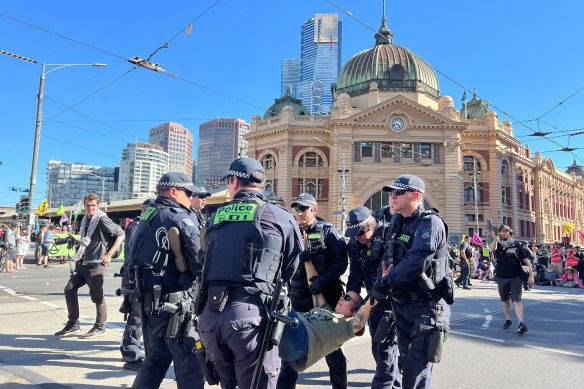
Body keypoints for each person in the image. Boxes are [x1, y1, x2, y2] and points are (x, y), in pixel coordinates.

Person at [198, 157, 303, 389]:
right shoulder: (280, 216)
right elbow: (292, 265)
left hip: (210, 318)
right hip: (251, 317)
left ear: (234, 181)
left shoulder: (215, 217)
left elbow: (203, 259)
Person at [373, 174, 451, 389]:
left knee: (416, 373)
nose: (392, 197)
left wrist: (387, 281)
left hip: (426, 306)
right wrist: (380, 283)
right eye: (391, 192)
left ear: (415, 195)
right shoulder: (398, 221)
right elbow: (387, 257)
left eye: (398, 192)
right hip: (403, 303)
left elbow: (418, 260)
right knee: (404, 361)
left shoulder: (430, 223)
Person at [130, 174, 205, 389]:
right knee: (190, 362)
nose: (191, 198)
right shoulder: (180, 217)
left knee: (157, 358)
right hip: (176, 302)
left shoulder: (148, 215)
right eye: (188, 193)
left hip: (149, 300)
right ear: (173, 192)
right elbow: (200, 258)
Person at [278, 192, 348, 389]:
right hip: (297, 298)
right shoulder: (291, 231)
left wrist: (324, 280)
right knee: (290, 350)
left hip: (324, 298)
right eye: (297, 209)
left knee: (332, 349)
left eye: (303, 209)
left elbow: (341, 261)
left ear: (314, 210)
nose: (299, 213)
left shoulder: (327, 230)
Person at [345, 206, 401, 389]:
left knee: (386, 350)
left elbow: (384, 273)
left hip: (392, 299)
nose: (358, 237)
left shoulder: (388, 235)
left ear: (372, 225)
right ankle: (395, 381)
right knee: (377, 348)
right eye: (354, 234)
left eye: (361, 232)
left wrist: (365, 305)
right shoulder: (354, 243)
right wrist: (350, 299)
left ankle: (392, 383)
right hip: (372, 298)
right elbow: (354, 274)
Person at [54, 193, 124, 338]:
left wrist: (109, 254)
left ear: (98, 206)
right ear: (84, 207)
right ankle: (73, 324)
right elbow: (88, 241)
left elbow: (120, 234)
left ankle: (100, 326)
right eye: (88, 205)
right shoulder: (86, 219)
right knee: (69, 289)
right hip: (83, 263)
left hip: (96, 264)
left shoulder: (102, 219)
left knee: (97, 296)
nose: (90, 208)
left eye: (93, 205)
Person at [279, 291, 373, 372]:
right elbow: (313, 284)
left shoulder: (347, 326)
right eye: (343, 295)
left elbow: (365, 310)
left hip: (303, 342)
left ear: (355, 310)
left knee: (277, 297)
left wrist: (382, 284)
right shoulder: (326, 310)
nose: (341, 298)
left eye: (347, 298)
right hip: (295, 340)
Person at [119, 198, 152, 371]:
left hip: (136, 276)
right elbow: (132, 255)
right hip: (136, 277)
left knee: (141, 317)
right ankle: (131, 355)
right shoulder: (139, 225)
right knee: (137, 317)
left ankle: (134, 352)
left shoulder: (140, 225)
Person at [489, 225, 534, 334]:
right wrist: (495, 238)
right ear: (500, 233)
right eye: (502, 232)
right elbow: (492, 248)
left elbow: (526, 260)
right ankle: (508, 320)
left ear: (510, 233)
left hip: (515, 277)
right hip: (501, 277)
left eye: (506, 231)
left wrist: (531, 274)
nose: (504, 233)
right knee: (505, 300)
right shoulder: (498, 244)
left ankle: (521, 323)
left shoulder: (517, 245)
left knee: (517, 300)